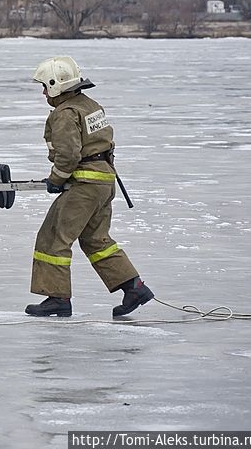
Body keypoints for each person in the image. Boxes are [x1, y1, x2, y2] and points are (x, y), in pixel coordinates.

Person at [26, 56, 154, 318]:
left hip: (84, 185)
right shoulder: (90, 106)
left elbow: (69, 155)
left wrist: (56, 180)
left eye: (45, 86)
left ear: (56, 85)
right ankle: (134, 287)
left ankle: (58, 298)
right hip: (104, 182)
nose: (43, 92)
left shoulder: (65, 114)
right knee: (96, 240)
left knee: (53, 238)